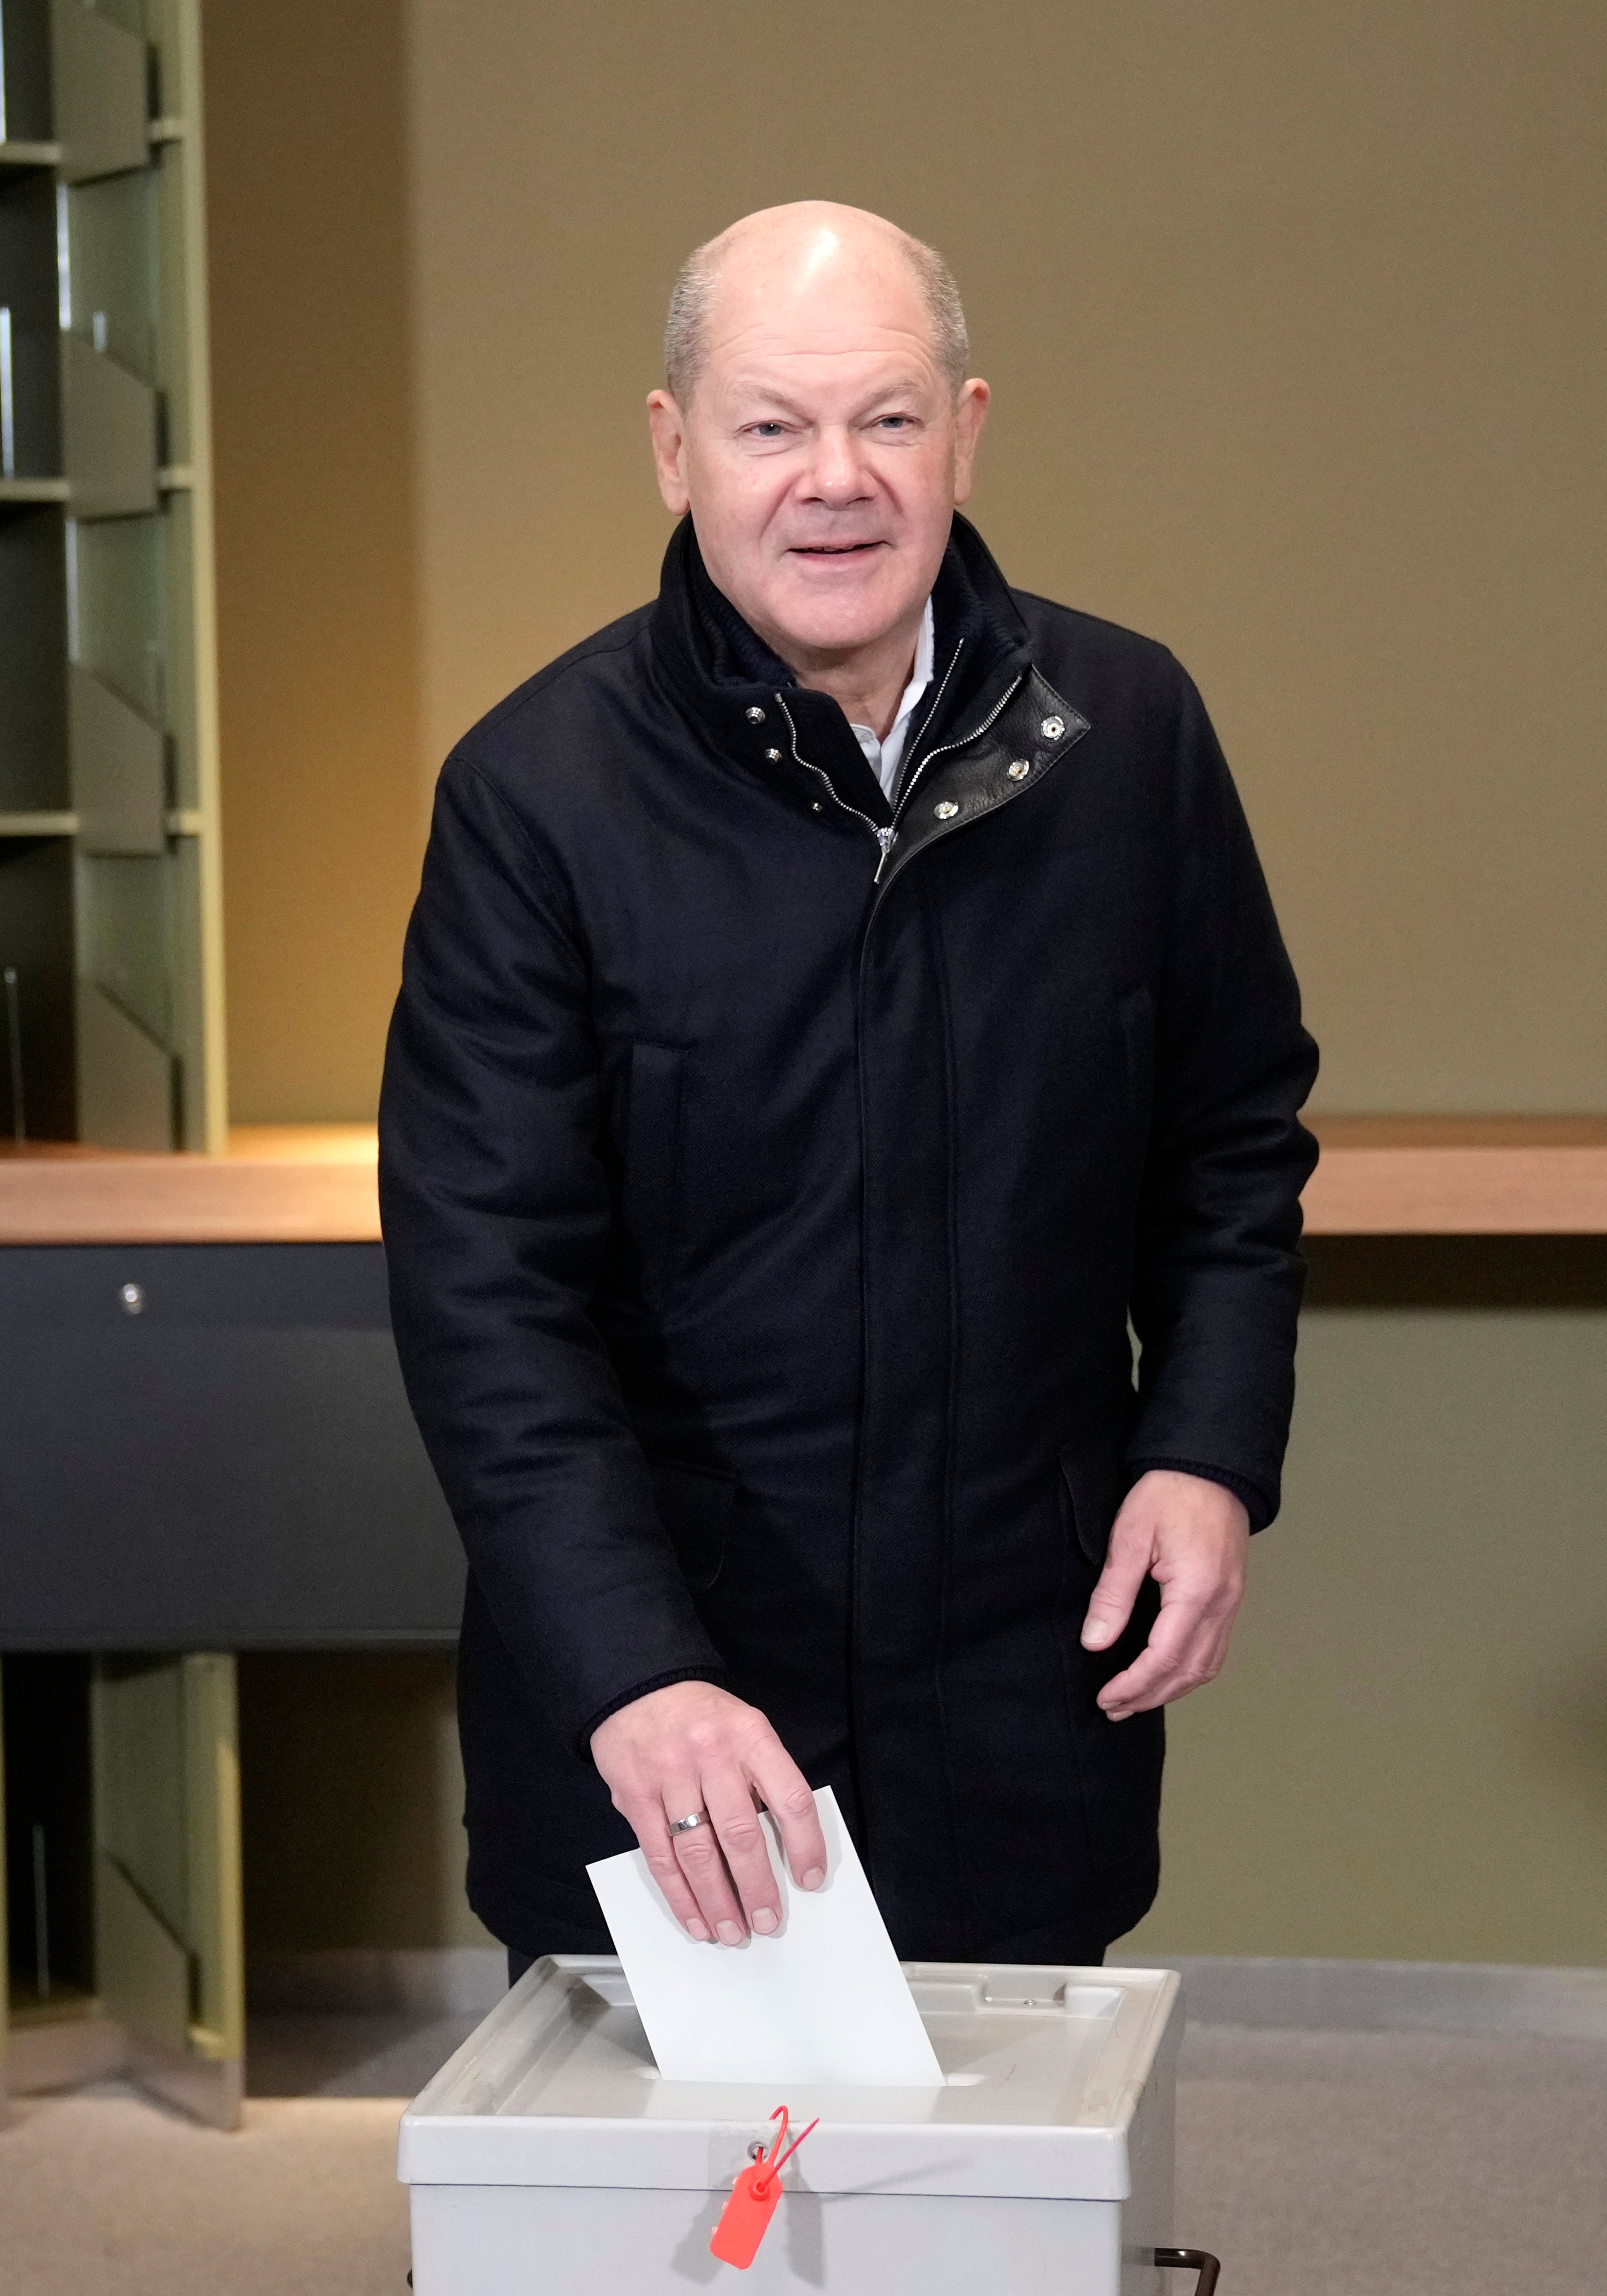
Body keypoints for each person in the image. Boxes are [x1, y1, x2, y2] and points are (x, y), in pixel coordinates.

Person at [381, 201, 1318, 1973]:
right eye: (769, 426)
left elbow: (1230, 1144)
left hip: (1021, 1687)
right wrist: (631, 1669)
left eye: (886, 419)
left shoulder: (1132, 736)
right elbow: (486, 1300)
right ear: (674, 451)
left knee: (998, 2226)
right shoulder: (531, 796)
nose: (837, 479)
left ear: (965, 431)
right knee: (676, 2246)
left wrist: (1202, 1449)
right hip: (674, 1711)